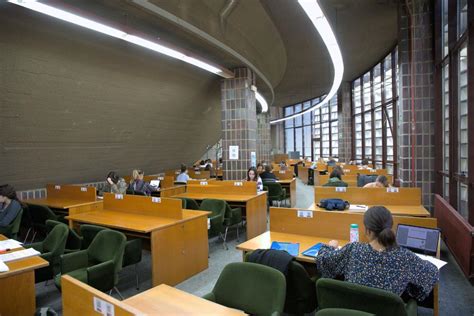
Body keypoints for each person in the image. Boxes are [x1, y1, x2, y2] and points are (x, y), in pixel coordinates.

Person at [315, 206, 439, 301]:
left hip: (354, 310)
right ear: (391, 228)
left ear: (368, 231)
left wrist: (330, 247)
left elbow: (324, 261)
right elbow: (432, 274)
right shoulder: (405, 257)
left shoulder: (353, 249)